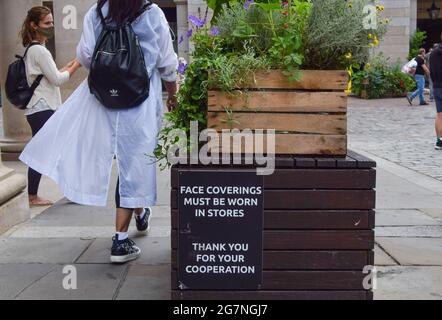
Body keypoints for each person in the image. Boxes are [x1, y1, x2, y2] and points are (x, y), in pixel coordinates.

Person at [19, 0, 178, 263]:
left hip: (103, 99)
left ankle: (140, 214)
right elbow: (167, 62)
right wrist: (173, 95)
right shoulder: (152, 13)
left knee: (127, 166)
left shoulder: (96, 12)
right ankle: (120, 241)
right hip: (140, 101)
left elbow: (85, 56)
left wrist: (112, 68)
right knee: (135, 163)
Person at [20, 6, 81, 207]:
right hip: (43, 108)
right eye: (47, 23)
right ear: (34, 25)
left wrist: (70, 64)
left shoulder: (32, 49)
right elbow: (57, 79)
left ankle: (70, 191)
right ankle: (33, 196)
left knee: (51, 150)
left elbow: (50, 75)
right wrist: (76, 66)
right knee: (47, 151)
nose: (51, 27)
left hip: (39, 109)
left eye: (52, 22)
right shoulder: (39, 50)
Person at [430, 35, 442, 150]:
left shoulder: (433, 53)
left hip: (437, 86)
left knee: (439, 115)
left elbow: (431, 71)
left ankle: (439, 140)